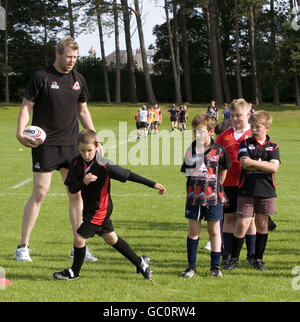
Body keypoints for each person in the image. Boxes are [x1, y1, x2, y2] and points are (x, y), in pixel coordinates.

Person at [15, 37, 98, 262]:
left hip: (72, 146)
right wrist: (20, 132)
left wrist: (93, 135)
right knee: (40, 193)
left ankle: (78, 247)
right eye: (69, 57)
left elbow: (83, 110)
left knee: (76, 193)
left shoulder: (78, 80)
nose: (72, 61)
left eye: (75, 58)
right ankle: (23, 246)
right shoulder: (41, 77)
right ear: (58, 55)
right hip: (45, 145)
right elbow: (26, 107)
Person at [53, 129, 166, 280]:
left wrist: (152, 184)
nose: (86, 154)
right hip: (90, 208)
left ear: (97, 146)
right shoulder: (75, 163)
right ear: (78, 147)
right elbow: (72, 188)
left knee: (79, 238)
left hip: (101, 209)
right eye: (82, 150)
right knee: (111, 239)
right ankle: (140, 262)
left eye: (90, 150)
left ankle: (74, 272)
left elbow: (128, 174)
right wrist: (83, 182)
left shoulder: (104, 164)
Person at [224, 111, 280, 271]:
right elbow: (245, 164)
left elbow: (274, 167)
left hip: (267, 191)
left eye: (258, 127)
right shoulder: (245, 143)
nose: (254, 129)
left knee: (262, 224)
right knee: (242, 223)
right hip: (246, 190)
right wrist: (264, 164)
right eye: (253, 126)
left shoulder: (273, 146)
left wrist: (255, 163)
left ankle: (258, 259)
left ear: (267, 127)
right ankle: (233, 258)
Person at [180, 114, 232, 278]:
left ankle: (215, 267)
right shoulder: (191, 150)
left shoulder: (219, 151)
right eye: (195, 132)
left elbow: (223, 172)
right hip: (194, 199)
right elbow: (187, 174)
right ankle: (191, 267)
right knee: (193, 231)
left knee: (214, 231)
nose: (198, 135)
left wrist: (215, 188)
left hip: (214, 198)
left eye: (201, 132)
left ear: (210, 132)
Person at [216, 99, 256, 266]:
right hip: (228, 183)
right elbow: (215, 157)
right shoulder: (224, 136)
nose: (235, 119)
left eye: (239, 115)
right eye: (232, 116)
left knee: (250, 219)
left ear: (248, 115)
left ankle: (252, 255)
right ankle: (228, 254)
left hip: (249, 183)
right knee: (229, 217)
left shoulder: (254, 134)